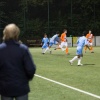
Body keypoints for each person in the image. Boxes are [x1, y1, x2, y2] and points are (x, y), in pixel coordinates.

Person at [0, 23, 36, 100]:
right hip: (21, 87)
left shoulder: (1, 49)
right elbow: (31, 69)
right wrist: (26, 79)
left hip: (5, 88)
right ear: (17, 33)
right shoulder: (23, 49)